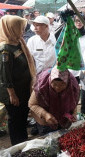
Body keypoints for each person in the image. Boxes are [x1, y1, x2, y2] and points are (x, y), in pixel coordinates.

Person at [0, 15, 36, 145]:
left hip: (23, 89)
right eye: (20, 28)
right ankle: (17, 145)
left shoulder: (18, 43)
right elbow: (5, 75)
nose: (23, 31)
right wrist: (12, 94)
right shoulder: (5, 49)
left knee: (22, 117)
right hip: (13, 93)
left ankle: (23, 141)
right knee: (15, 119)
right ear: (11, 29)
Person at [28, 66, 79, 134]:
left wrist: (73, 114)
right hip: (45, 121)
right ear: (50, 80)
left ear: (67, 83)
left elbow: (74, 103)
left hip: (63, 119)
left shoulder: (72, 87)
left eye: (62, 85)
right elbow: (32, 104)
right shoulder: (41, 87)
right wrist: (45, 115)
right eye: (54, 84)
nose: (57, 88)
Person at [69, 15, 85, 84]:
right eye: (77, 21)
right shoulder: (69, 35)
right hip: (71, 69)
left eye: (81, 20)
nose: (79, 23)